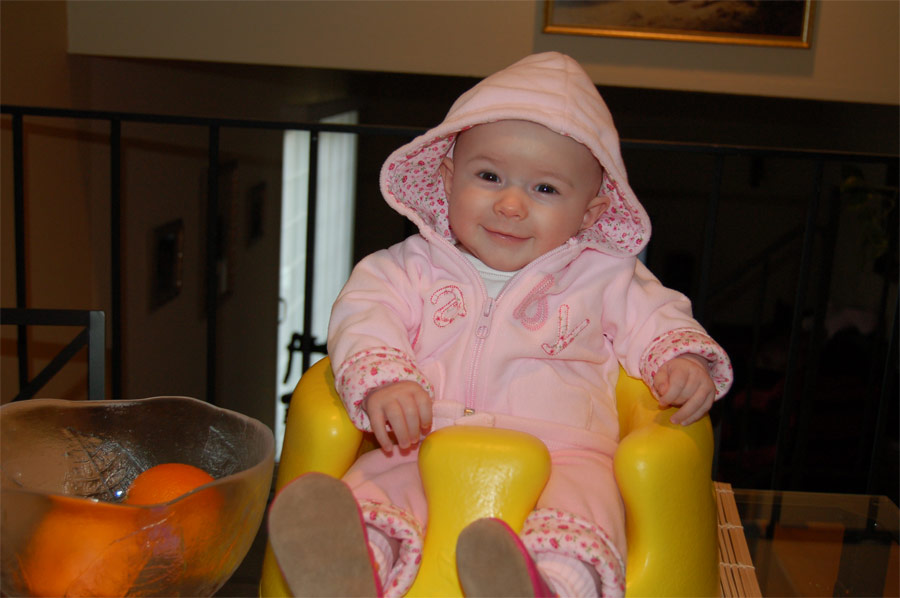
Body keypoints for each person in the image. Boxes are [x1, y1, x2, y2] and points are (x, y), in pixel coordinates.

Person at [268, 52, 733, 597]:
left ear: (589, 212)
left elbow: (657, 317)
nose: (510, 204)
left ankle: (544, 586)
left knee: (578, 521)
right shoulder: (408, 267)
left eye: (545, 189)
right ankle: (346, 570)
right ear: (448, 180)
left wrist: (681, 358)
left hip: (567, 452)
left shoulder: (606, 275)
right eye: (489, 176)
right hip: (425, 438)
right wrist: (386, 380)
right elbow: (366, 314)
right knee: (377, 494)